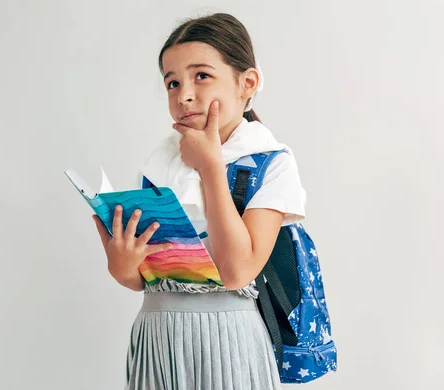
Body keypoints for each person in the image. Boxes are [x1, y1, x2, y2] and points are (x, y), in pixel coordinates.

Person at [93, 12, 307, 390]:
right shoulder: (159, 163)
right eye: (172, 83)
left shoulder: (270, 162)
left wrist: (210, 168)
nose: (184, 95)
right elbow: (144, 279)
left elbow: (238, 271)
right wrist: (121, 264)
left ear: (247, 83)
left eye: (201, 76)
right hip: (157, 337)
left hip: (228, 340)